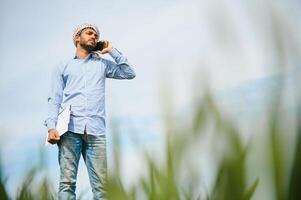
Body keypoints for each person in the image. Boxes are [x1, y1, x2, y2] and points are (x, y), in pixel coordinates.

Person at [44, 23, 136, 200]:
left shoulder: (103, 64)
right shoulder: (63, 66)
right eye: (89, 33)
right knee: (67, 183)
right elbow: (54, 98)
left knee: (102, 188)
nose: (94, 36)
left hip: (96, 132)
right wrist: (51, 127)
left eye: (96, 35)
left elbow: (129, 72)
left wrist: (111, 50)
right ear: (77, 38)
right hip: (69, 129)